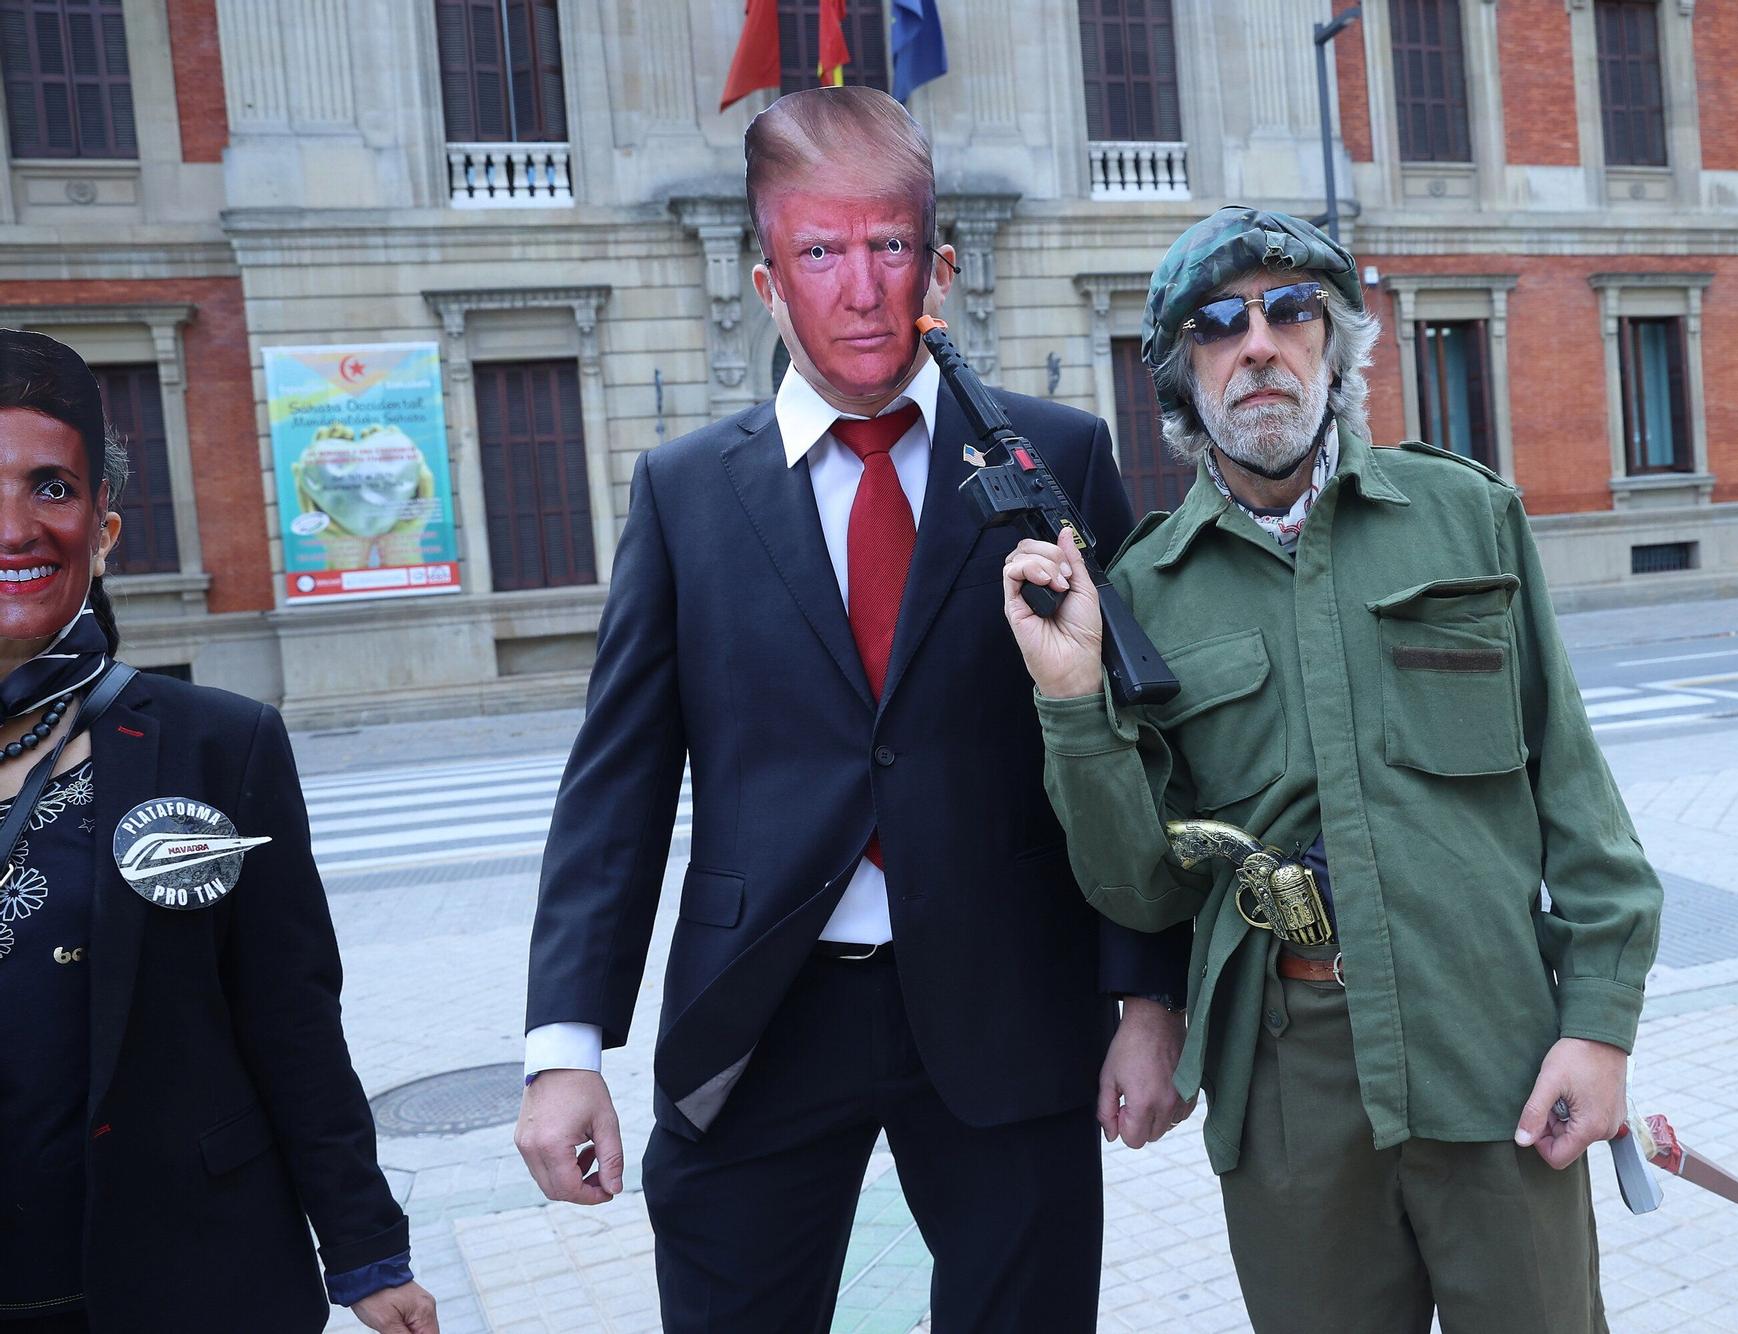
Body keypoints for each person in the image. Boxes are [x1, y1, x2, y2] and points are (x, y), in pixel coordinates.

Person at [515, 86, 1189, 1332]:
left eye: (887, 245)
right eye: (820, 250)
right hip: (759, 1016)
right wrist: (565, 1044)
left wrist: (1149, 1002)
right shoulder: (683, 494)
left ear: (935, 264)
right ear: (768, 279)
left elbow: (1135, 752)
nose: (861, 286)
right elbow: (613, 785)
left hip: (1007, 1012)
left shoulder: (1051, 456)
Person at [1001, 207, 1665, 1332]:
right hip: (1286, 1087)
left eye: (1289, 309)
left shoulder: (1466, 518)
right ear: (1181, 373)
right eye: (1217, 322)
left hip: (1491, 1047)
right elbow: (1138, 886)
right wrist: (1071, 702)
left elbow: (1578, 803)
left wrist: (1596, 1027)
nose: (1256, 342)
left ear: (1332, 342)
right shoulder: (1145, 592)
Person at [0, 329, 437, 1333]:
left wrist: (366, 1249)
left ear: (105, 530)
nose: (16, 527)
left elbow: (289, 1017)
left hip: (188, 1278)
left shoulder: (215, 745)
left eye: (52, 489)